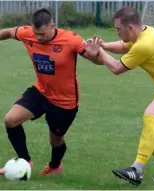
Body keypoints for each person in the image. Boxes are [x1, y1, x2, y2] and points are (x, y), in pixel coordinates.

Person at [0, 8, 101, 176]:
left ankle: (55, 166)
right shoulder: (28, 34)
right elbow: (10, 32)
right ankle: (25, 162)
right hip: (41, 92)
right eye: (36, 33)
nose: (38, 38)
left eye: (42, 34)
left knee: (55, 140)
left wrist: (94, 55)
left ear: (52, 26)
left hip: (65, 102)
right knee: (10, 120)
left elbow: (97, 61)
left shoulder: (71, 39)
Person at [85, 6, 154, 186]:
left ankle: (137, 170)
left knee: (151, 114)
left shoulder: (145, 44)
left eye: (118, 29)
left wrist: (99, 51)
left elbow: (116, 68)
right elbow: (124, 46)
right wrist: (102, 45)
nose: (117, 33)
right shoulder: (146, 32)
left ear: (130, 28)